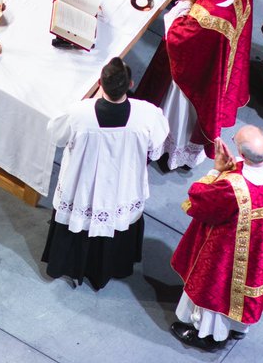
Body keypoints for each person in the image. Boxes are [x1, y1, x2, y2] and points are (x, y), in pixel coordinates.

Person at [41, 57, 169, 289]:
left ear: (100, 82)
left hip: (83, 185)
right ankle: (113, 266)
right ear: (130, 84)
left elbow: (56, 136)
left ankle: (69, 263)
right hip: (123, 184)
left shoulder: (79, 112)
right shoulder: (147, 114)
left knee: (79, 218)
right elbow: (157, 147)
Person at [170, 125, 263, 350]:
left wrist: (218, 170)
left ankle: (207, 335)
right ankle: (238, 327)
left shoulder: (233, 187)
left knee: (218, 289)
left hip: (228, 252)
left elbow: (199, 200)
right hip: (262, 248)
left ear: (243, 155)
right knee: (248, 288)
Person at [135, 0, 252, 170]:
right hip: (217, 64)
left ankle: (168, 149)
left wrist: (186, 3)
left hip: (193, 78)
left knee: (177, 112)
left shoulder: (206, 19)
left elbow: (178, 37)